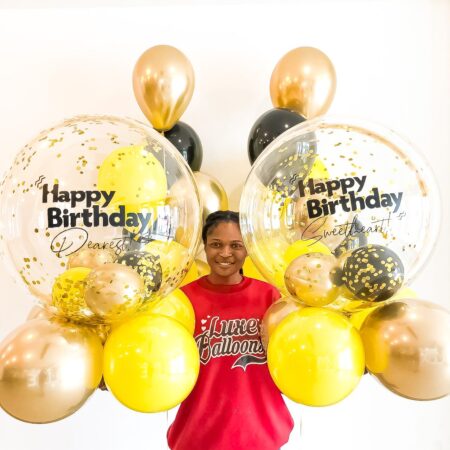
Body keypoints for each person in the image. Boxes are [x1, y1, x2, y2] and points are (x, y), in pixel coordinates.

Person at [167, 210, 294, 450]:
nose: (226, 253)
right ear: (205, 246)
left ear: (247, 248)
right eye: (216, 244)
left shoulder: (269, 296)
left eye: (236, 245)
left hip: (260, 433)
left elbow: (293, 356)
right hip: (199, 434)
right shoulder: (183, 300)